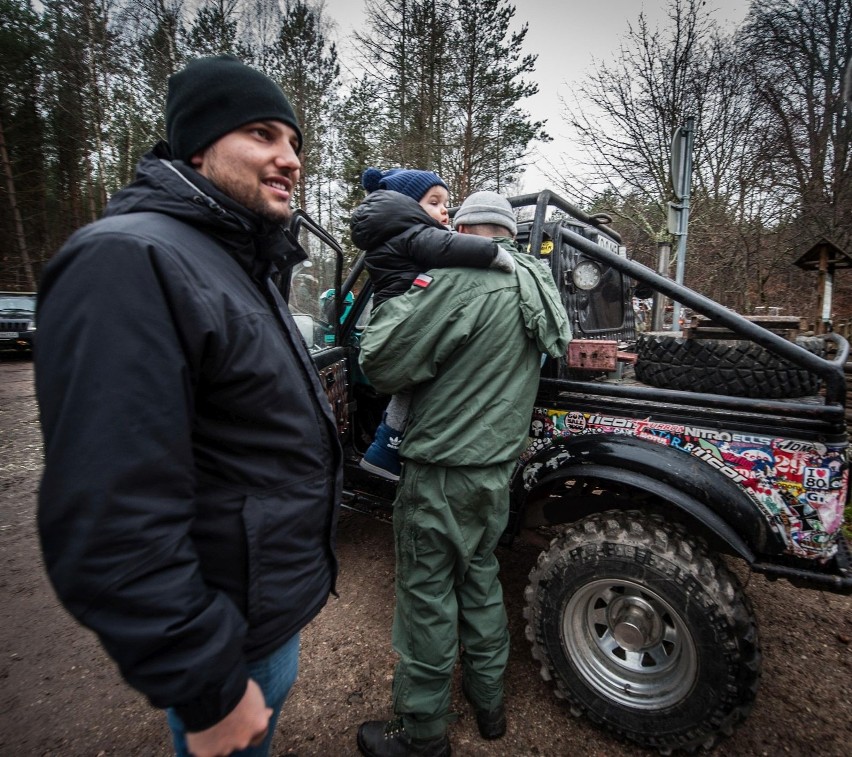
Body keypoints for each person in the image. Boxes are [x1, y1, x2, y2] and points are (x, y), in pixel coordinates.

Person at [34, 54, 341, 757]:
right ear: (198, 146)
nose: (289, 158)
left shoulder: (235, 258)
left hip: (260, 616)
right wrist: (206, 684)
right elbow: (111, 513)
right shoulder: (129, 261)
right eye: (263, 134)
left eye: (294, 142)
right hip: (223, 642)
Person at [355, 191, 572, 756]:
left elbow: (379, 363)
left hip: (442, 469)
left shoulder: (455, 283)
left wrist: (393, 295)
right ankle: (489, 702)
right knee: (478, 578)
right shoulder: (537, 282)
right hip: (497, 468)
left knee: (427, 592)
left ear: (466, 230)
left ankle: (422, 734)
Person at [351, 168, 515, 480]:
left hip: (399, 316)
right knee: (411, 385)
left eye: (446, 203)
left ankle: (387, 445)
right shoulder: (414, 235)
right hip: (403, 318)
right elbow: (449, 247)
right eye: (435, 202)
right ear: (408, 206)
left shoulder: (396, 236)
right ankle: (386, 447)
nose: (444, 210)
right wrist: (494, 253)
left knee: (410, 386)